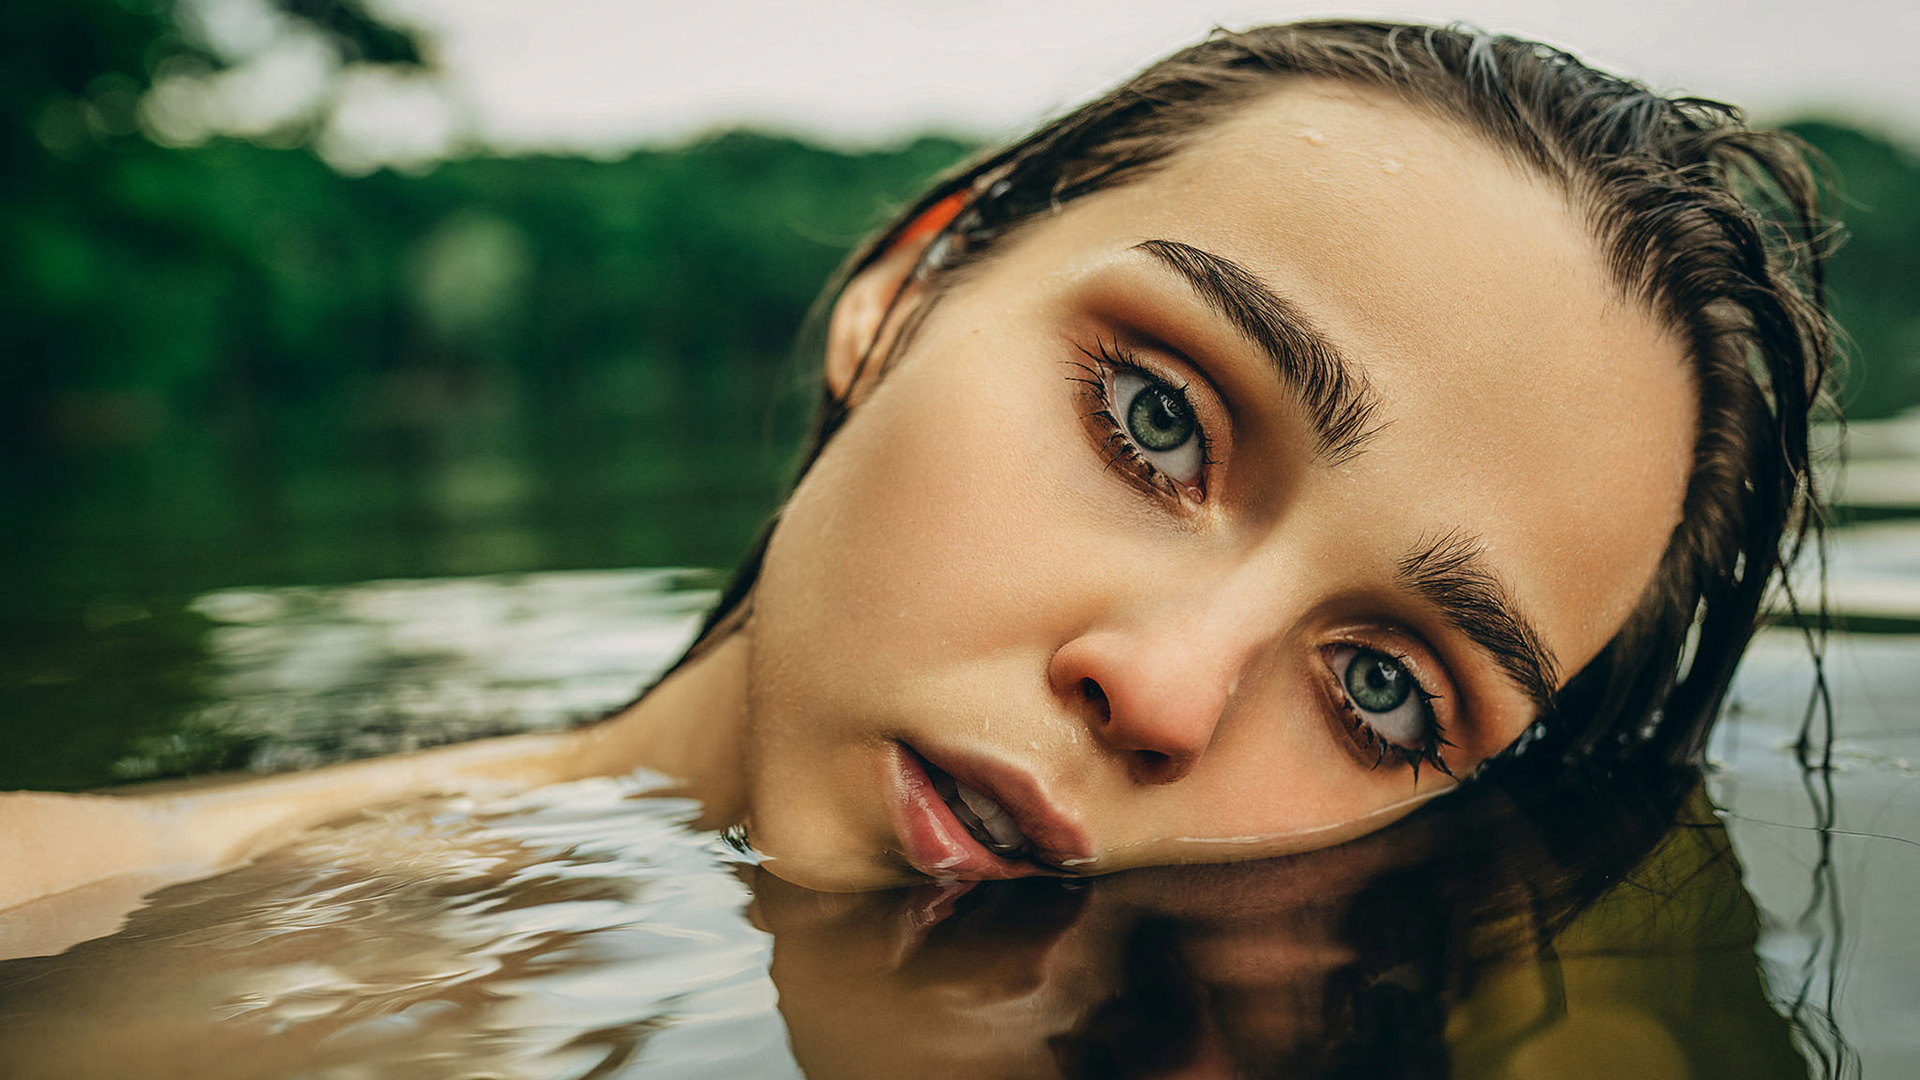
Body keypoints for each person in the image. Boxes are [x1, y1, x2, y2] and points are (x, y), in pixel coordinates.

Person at [0, 19, 1831, 909]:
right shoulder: (87, 921)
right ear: (906, 289)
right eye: (1158, 421)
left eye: (1377, 688)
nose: (1165, 692)